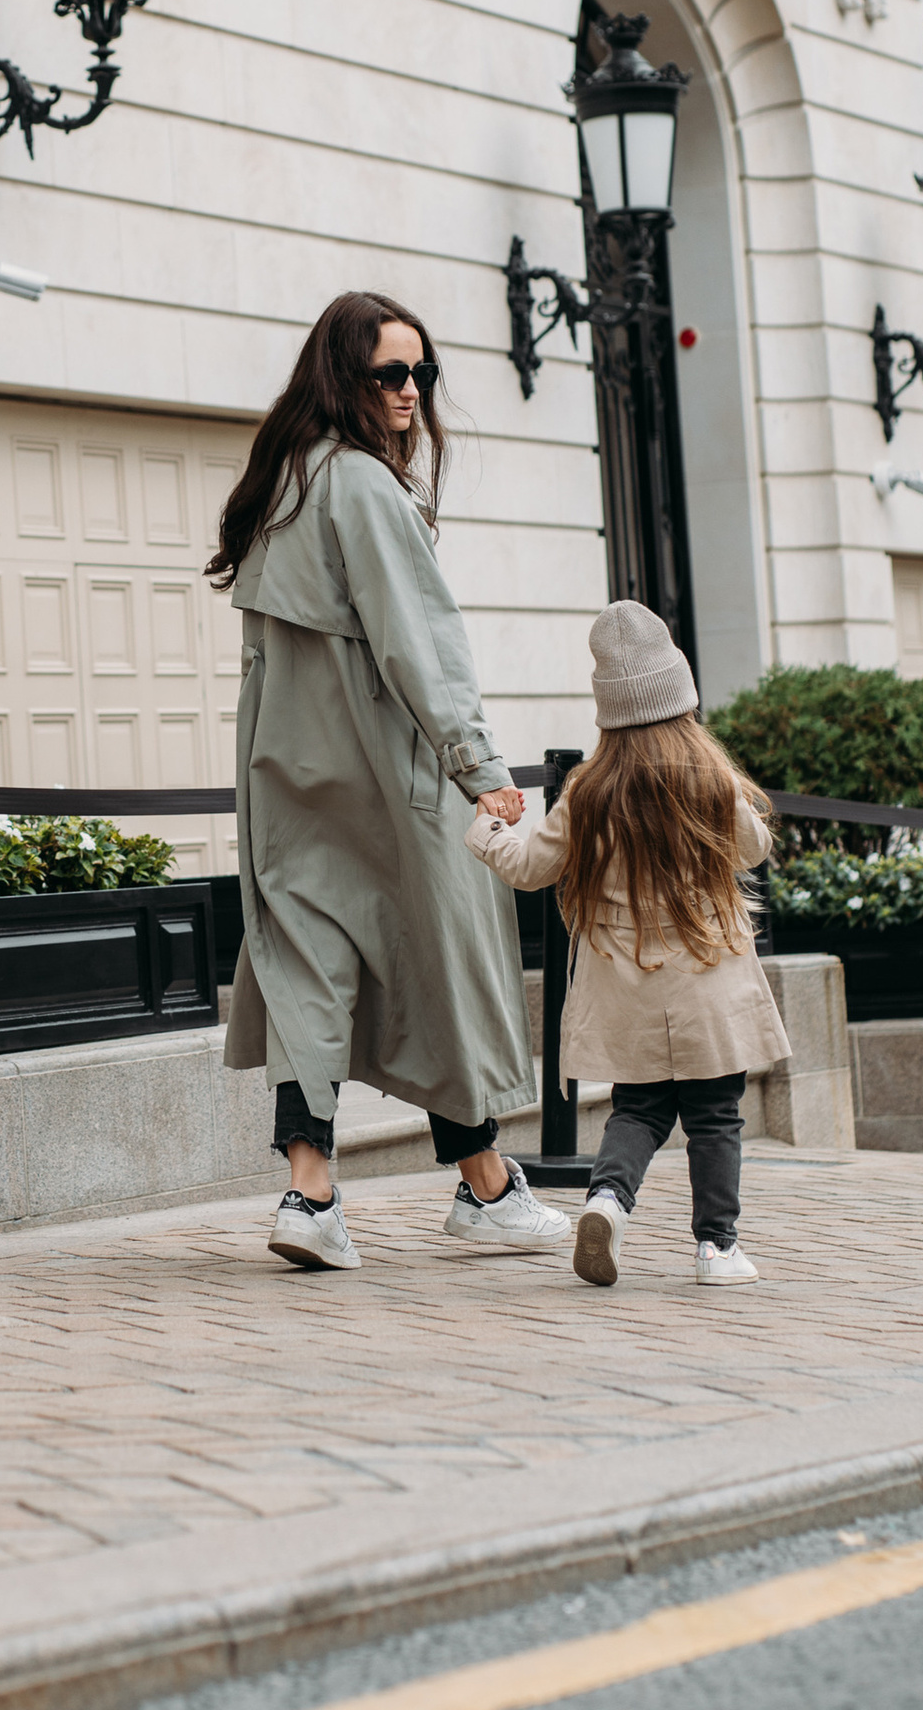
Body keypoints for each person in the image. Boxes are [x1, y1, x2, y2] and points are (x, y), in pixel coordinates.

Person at [212, 291, 560, 1270]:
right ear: (345, 380)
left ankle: (311, 1195)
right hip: (382, 770)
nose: (409, 393)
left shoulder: (280, 483)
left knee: (307, 974)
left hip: (289, 775)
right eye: (388, 375)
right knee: (438, 963)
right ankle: (485, 1186)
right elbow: (420, 646)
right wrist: (480, 767)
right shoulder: (361, 487)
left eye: (421, 373)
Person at [465, 600, 784, 1288]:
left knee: (637, 1108)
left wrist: (487, 830)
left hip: (627, 987)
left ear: (608, 708)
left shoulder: (588, 791)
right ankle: (716, 1248)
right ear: (679, 697)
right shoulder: (706, 778)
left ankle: (608, 1199)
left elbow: (530, 872)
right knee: (715, 1116)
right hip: (708, 985)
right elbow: (752, 849)